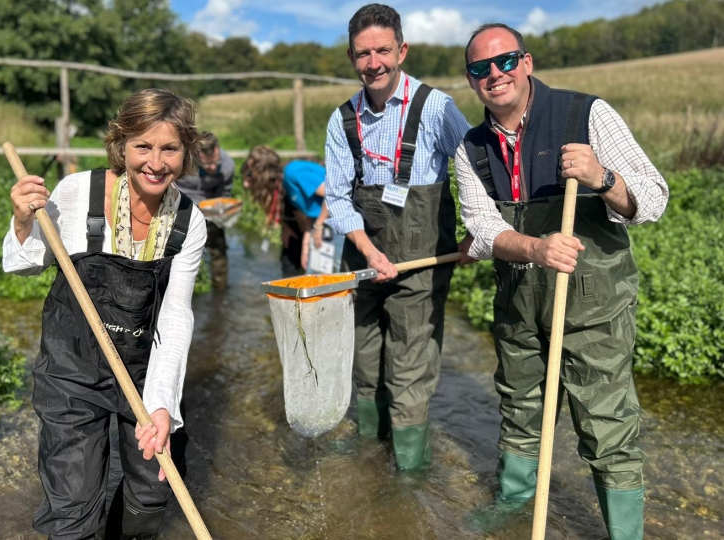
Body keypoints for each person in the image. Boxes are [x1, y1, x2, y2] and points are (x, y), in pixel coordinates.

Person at [455, 24, 669, 539]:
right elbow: (483, 232)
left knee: (606, 423)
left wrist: (603, 179)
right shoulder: (472, 148)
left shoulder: (587, 114)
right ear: (471, 80)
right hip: (520, 307)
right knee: (520, 409)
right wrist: (535, 248)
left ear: (526, 62)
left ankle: (625, 534)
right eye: (481, 68)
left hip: (594, 305)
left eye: (505, 61)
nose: (495, 75)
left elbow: (654, 199)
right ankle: (513, 506)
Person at [3, 89, 207, 540]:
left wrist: (159, 406)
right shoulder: (77, 192)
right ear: (122, 145)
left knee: (152, 491)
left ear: (186, 151)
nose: (156, 162)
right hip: (70, 368)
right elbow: (25, 261)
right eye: (143, 146)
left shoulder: (189, 221)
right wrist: (22, 221)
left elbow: (175, 317)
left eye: (170, 148)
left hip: (140, 370)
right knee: (73, 503)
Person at [324, 3, 470, 470]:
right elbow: (340, 201)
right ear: (352, 58)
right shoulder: (340, 120)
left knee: (408, 371)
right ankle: (370, 454)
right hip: (364, 262)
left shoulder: (437, 108)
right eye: (363, 54)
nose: (374, 63)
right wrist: (370, 253)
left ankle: (408, 475)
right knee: (365, 363)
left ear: (401, 50)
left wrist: (479, 236)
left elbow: (473, 172)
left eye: (383, 50)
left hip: (423, 264)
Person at [241, 146, 327, 277]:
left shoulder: (293, 173)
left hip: (338, 223)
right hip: (318, 223)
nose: (245, 185)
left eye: (251, 176)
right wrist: (306, 244)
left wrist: (319, 225)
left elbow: (334, 195)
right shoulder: (285, 184)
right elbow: (311, 211)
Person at [176, 131, 234, 289]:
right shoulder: (182, 161)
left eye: (216, 162)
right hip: (181, 209)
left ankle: (220, 289)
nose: (213, 167)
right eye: (208, 165)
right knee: (179, 254)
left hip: (211, 212)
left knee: (218, 251)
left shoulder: (227, 165)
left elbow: (224, 193)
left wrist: (223, 210)